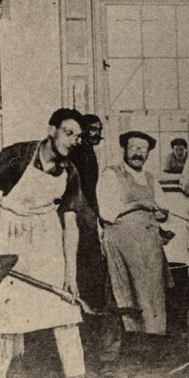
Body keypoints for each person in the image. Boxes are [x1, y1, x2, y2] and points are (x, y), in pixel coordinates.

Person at [0, 107, 88, 378]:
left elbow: (70, 225)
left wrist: (70, 275)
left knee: (63, 303)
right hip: (11, 232)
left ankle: (77, 375)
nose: (74, 140)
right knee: (7, 307)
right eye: (68, 132)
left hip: (47, 234)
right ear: (51, 130)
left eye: (78, 136)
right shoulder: (18, 154)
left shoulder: (70, 171)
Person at [97, 131, 173, 343]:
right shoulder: (111, 175)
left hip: (149, 247)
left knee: (153, 296)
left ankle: (152, 340)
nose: (138, 153)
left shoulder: (150, 179)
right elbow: (106, 212)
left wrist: (162, 214)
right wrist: (138, 204)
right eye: (133, 147)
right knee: (126, 295)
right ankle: (126, 344)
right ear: (124, 149)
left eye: (143, 149)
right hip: (123, 248)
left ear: (148, 153)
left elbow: (162, 209)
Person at [70, 114, 120, 364]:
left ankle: (90, 335)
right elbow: (83, 190)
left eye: (99, 129)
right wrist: (94, 215)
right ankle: (87, 336)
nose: (96, 134)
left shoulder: (88, 152)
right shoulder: (80, 153)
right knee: (87, 277)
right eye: (92, 129)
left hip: (87, 215)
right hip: (82, 216)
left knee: (91, 277)